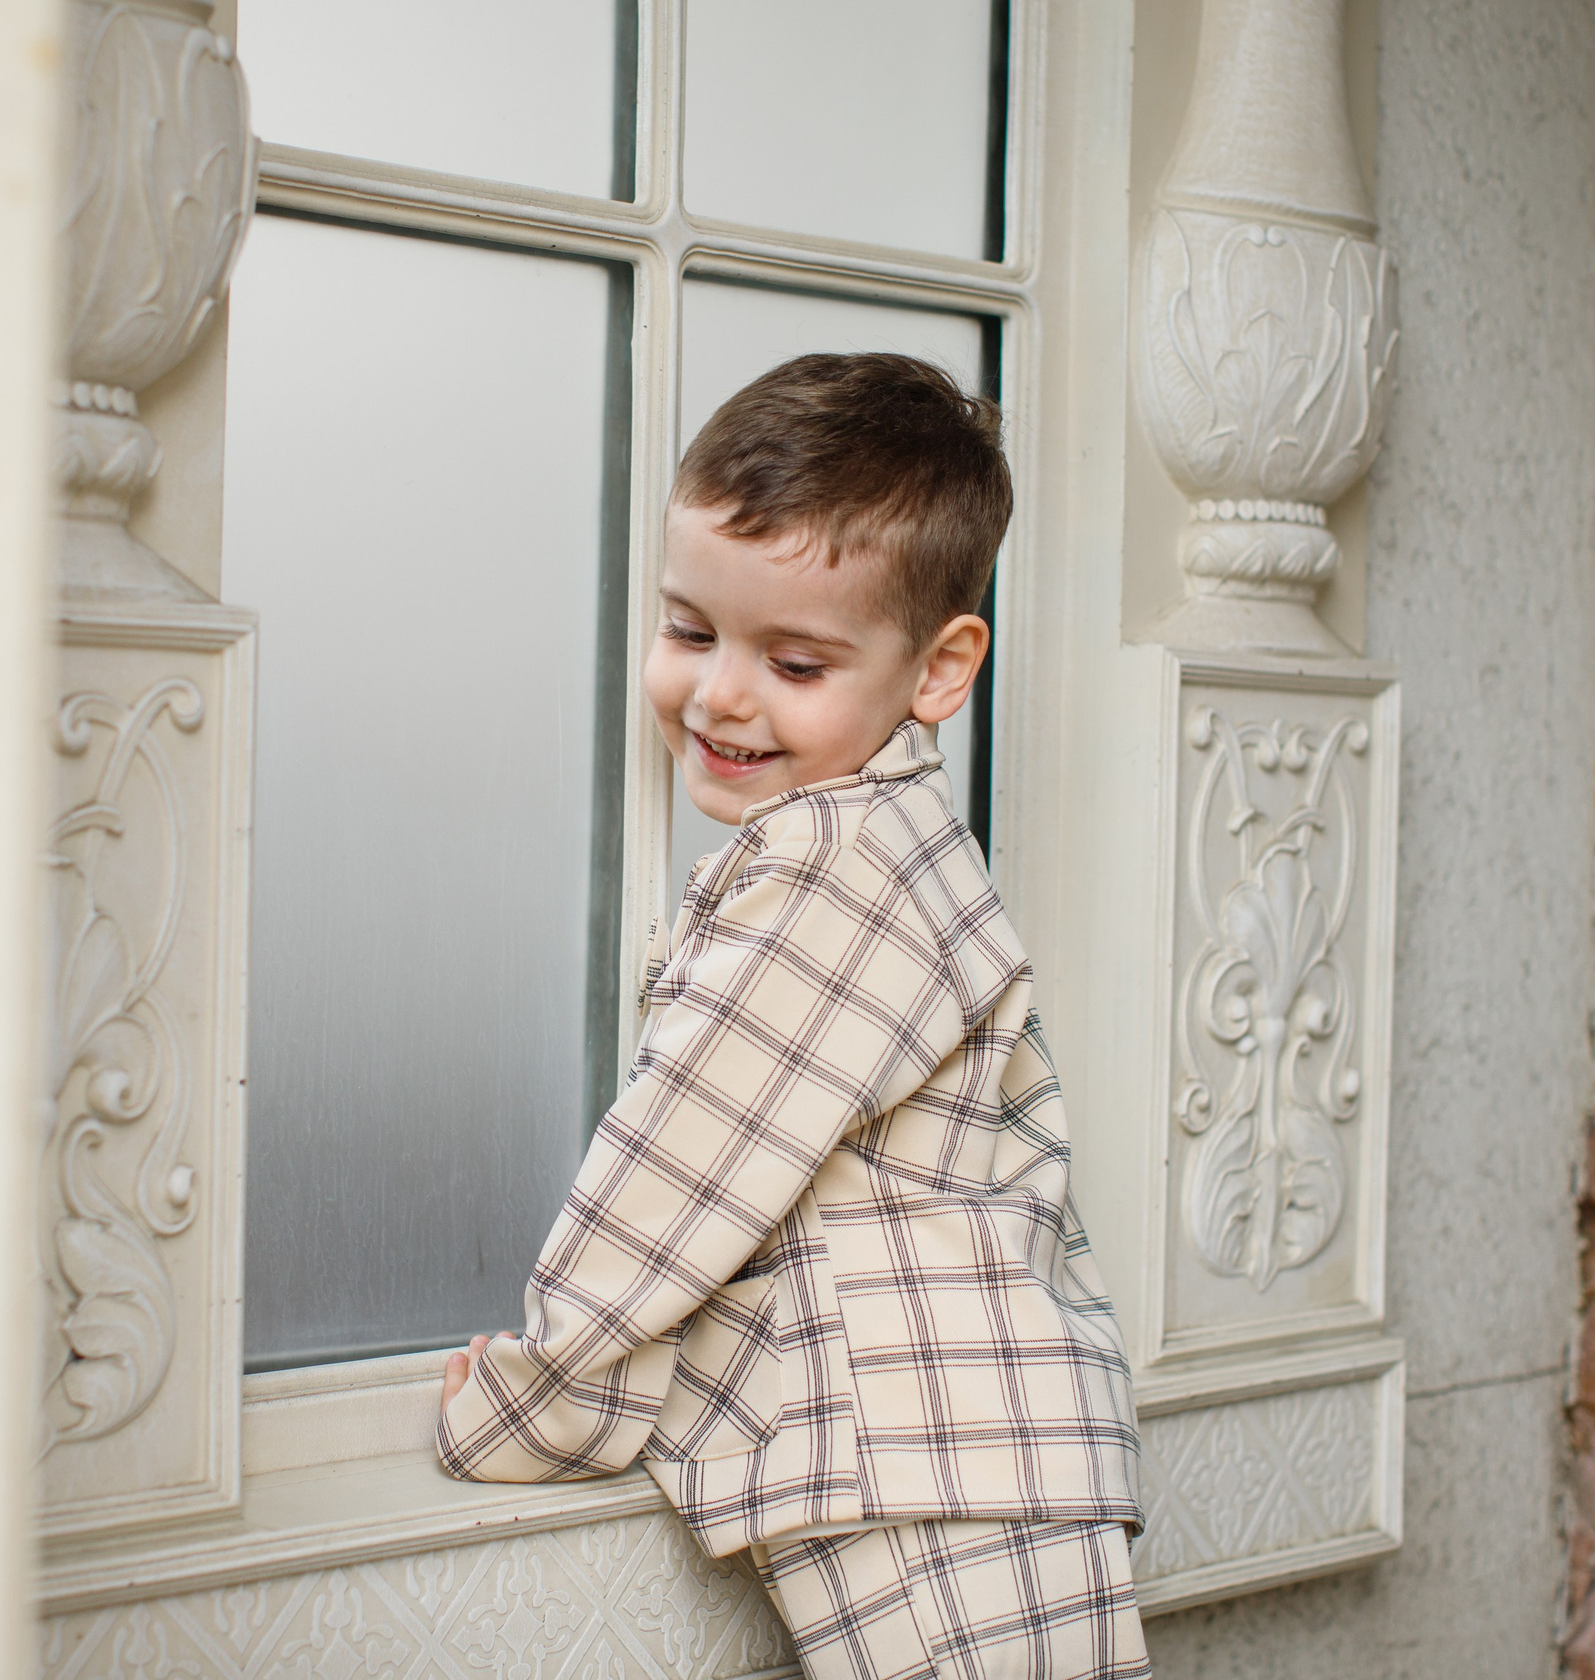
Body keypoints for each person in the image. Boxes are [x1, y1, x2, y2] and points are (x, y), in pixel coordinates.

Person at [436, 353, 1148, 1680]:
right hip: (977, 1456)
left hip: (936, 1478)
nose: (720, 696)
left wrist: (531, 1404)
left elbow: (677, 1177)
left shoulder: (835, 868)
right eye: (691, 629)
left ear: (940, 671)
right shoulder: (891, 836)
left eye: (797, 660)